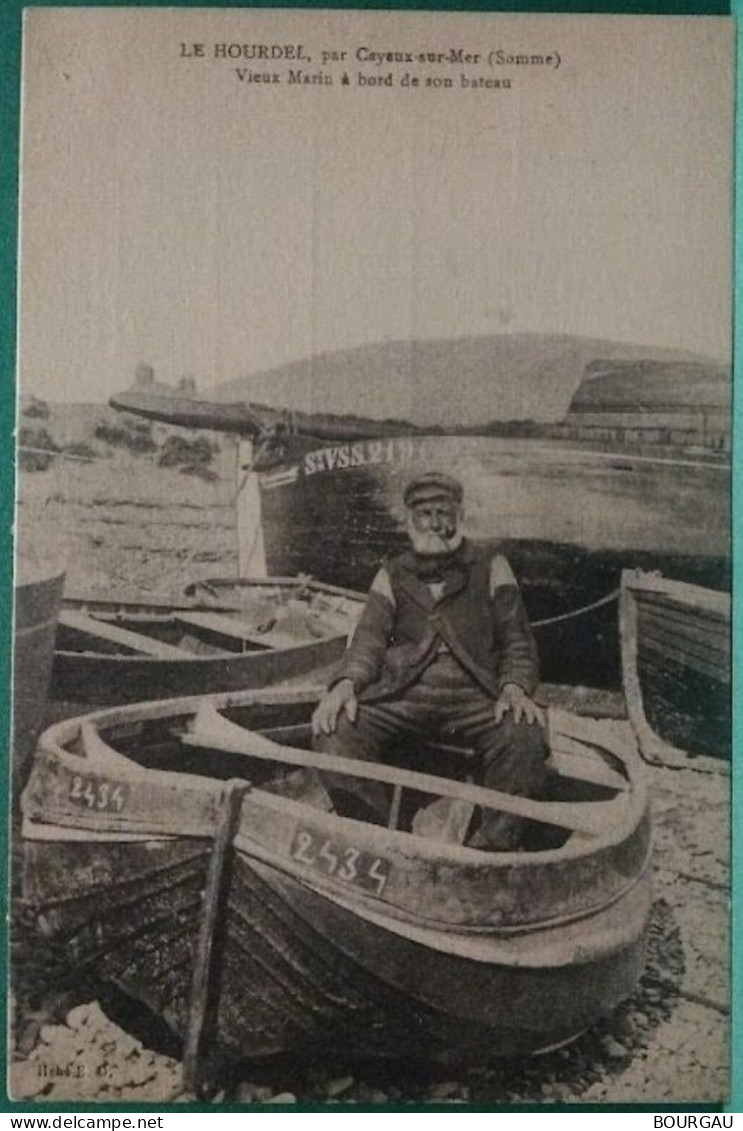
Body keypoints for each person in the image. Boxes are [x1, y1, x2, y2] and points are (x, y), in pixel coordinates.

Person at [311, 471, 548, 849]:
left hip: (476, 700)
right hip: (403, 697)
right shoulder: (392, 573)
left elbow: (517, 638)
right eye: (425, 514)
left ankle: (488, 851)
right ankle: (375, 838)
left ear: (460, 516)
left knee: (525, 737)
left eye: (444, 513)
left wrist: (515, 688)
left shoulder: (491, 565)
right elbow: (368, 640)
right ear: (409, 521)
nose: (435, 524)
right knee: (334, 729)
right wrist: (345, 684)